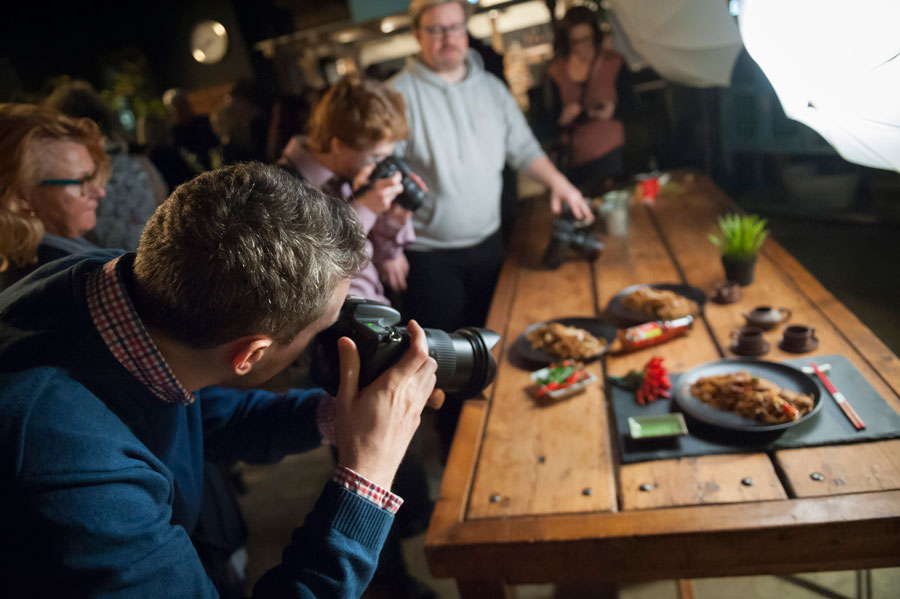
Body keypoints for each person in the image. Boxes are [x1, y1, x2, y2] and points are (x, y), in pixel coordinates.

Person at [0, 162, 444, 598]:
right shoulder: (73, 472)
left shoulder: (120, 289)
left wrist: (337, 416)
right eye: (319, 329)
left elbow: (204, 415)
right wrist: (367, 476)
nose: (327, 337)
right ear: (250, 354)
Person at [391, 0, 593, 335]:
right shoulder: (395, 95)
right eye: (436, 30)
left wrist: (560, 183)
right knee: (440, 362)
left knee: (492, 341)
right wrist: (387, 248)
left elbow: (524, 149)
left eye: (455, 27)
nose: (448, 38)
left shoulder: (492, 89)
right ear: (417, 35)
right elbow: (378, 172)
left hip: (490, 245)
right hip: (428, 257)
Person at [278, 75, 417, 307]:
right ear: (338, 145)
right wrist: (364, 208)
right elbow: (317, 271)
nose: (382, 165)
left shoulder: (349, 175)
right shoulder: (283, 188)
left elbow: (373, 259)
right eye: (375, 156)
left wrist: (391, 224)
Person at [45, 80, 168, 252]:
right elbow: (161, 197)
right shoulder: (137, 160)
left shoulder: (73, 175)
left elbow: (79, 231)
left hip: (109, 267)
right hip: (157, 255)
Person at [0, 103, 109, 291]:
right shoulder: (66, 281)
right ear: (20, 197)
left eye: (94, 176)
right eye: (82, 181)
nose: (100, 192)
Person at [548, 5, 631, 195]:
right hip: (575, 159)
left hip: (612, 154)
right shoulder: (556, 72)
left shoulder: (614, 62)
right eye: (575, 42)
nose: (582, 47)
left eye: (586, 40)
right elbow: (547, 121)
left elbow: (632, 107)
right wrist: (562, 119)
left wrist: (612, 111)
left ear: (595, 36)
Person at [163, 87, 220, 171]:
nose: (182, 109)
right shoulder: (172, 134)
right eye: (177, 106)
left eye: (183, 104)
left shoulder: (206, 121)